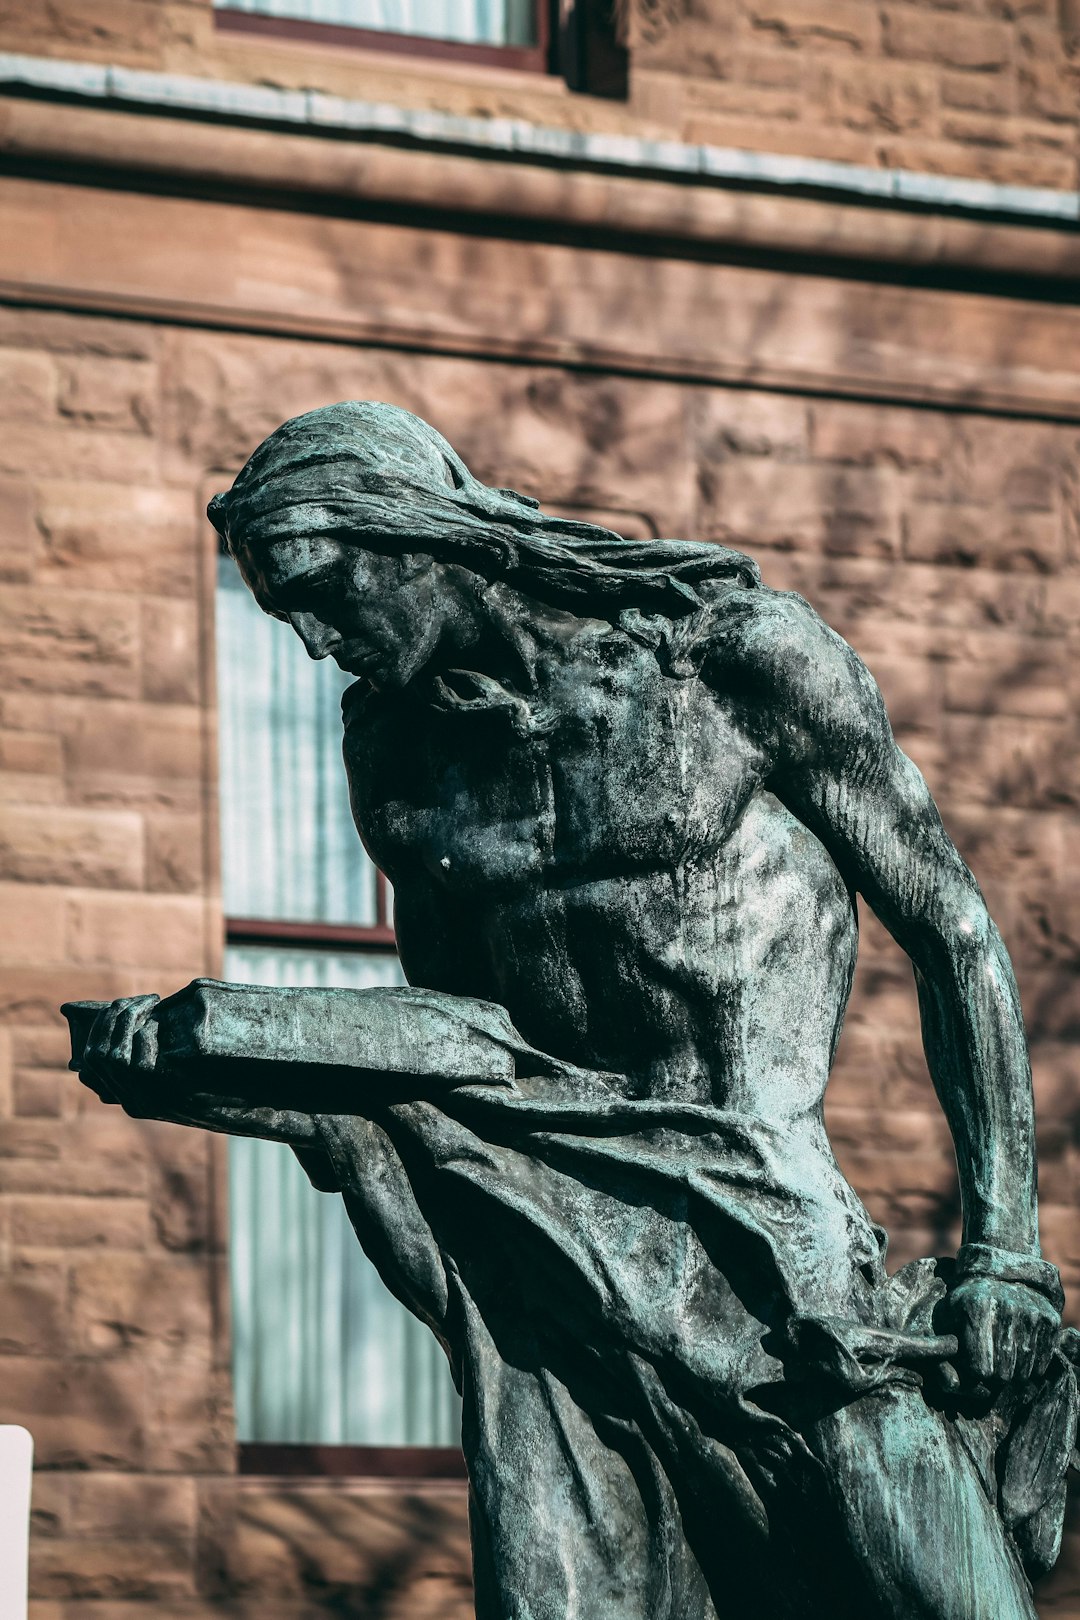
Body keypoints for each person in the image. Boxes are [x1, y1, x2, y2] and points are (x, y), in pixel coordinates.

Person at [71, 402, 1076, 1620]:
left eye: (326, 593)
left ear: (418, 536)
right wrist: (222, 1062)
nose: (317, 640)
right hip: (544, 1231)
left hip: (766, 1227)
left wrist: (1008, 1258)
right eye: (285, 613)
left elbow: (956, 931)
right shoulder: (395, 748)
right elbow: (450, 1036)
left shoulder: (728, 657)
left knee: (941, 1596)